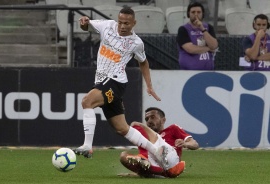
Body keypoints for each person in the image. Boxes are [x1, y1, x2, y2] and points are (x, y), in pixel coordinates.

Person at [73, 7, 169, 168]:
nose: (122, 26)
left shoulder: (136, 43)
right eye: (120, 22)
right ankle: (157, 151)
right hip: (102, 82)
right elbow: (86, 26)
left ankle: (87, 146)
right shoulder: (108, 26)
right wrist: (83, 22)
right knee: (122, 128)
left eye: (126, 23)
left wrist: (150, 86)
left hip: (116, 82)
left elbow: (143, 62)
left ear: (133, 23)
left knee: (86, 101)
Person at [119, 107, 199, 178]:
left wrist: (185, 144)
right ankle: (158, 172)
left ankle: (150, 165)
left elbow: (195, 144)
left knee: (136, 125)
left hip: (170, 161)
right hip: (157, 166)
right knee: (123, 157)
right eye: (147, 119)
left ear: (163, 120)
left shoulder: (172, 129)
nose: (149, 121)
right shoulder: (146, 137)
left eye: (153, 117)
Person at [176, 2, 218, 70]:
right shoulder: (183, 29)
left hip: (207, 71)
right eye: (193, 12)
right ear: (188, 14)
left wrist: (202, 29)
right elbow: (190, 49)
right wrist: (208, 48)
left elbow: (214, 45)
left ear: (203, 14)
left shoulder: (209, 27)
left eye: (199, 12)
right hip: (188, 72)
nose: (196, 14)